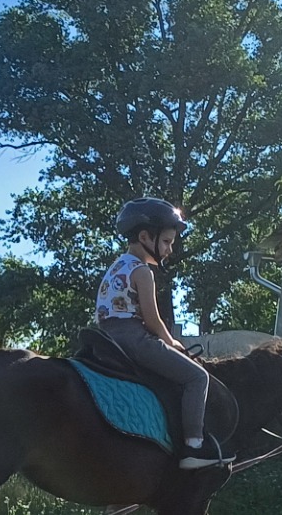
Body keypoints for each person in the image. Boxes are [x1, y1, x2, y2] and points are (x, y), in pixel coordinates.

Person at [95, 198, 227, 470]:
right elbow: (152, 319)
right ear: (145, 237)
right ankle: (193, 446)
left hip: (106, 337)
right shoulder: (142, 272)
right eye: (166, 242)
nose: (169, 249)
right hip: (133, 338)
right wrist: (172, 343)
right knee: (196, 376)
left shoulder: (116, 266)